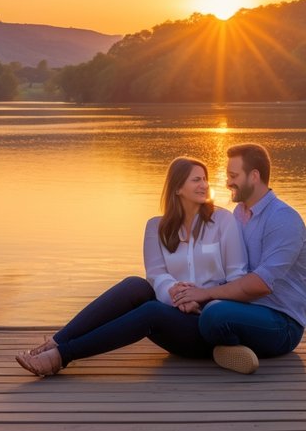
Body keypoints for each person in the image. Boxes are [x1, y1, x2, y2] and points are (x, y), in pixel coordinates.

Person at [15, 156, 248, 376]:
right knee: (135, 284)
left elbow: (237, 276)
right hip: (174, 320)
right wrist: (177, 295)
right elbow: (156, 276)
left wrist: (201, 298)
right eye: (196, 179)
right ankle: (55, 342)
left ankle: (61, 356)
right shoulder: (156, 227)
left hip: (207, 319)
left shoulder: (222, 221)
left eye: (205, 179)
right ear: (177, 188)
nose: (204, 185)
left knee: (151, 311)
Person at [170, 143, 306, 375]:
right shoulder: (238, 214)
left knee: (214, 314)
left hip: (282, 324)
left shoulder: (284, 220)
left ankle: (221, 343)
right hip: (244, 308)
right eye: (227, 175)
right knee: (185, 308)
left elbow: (261, 284)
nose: (227, 182)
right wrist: (191, 292)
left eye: (233, 176)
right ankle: (229, 349)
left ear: (254, 176)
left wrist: (206, 295)